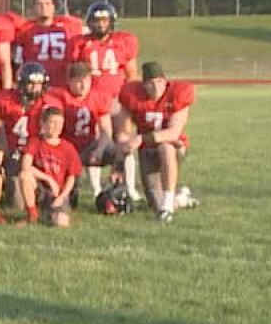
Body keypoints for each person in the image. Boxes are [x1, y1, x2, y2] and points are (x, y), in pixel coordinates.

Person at [117, 62, 196, 222]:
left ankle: (168, 206)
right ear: (143, 85)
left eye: (160, 82)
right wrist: (123, 153)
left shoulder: (178, 93)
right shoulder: (132, 95)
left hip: (175, 147)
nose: (156, 87)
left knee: (165, 147)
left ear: (165, 81)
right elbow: (122, 132)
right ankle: (179, 199)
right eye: (151, 83)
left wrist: (140, 138)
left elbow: (173, 133)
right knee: (155, 202)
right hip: (147, 150)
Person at [44, 61, 122, 190]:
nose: (83, 85)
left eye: (86, 80)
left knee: (116, 150)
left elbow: (106, 131)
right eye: (79, 81)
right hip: (66, 147)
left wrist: (99, 150)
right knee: (68, 194)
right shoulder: (60, 97)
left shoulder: (97, 96)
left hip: (88, 146)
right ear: (69, 81)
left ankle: (116, 187)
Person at [18, 107, 81, 227]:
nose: (56, 127)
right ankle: (32, 215)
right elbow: (26, 166)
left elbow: (71, 177)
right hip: (40, 189)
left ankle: (49, 213)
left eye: (60, 123)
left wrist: (62, 196)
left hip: (58, 192)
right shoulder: (35, 142)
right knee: (24, 176)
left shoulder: (68, 148)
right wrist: (48, 179)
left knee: (60, 223)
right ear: (43, 123)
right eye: (52, 122)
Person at [13, 0, 74, 86]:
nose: (43, 7)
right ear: (33, 8)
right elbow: (18, 63)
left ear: (53, 7)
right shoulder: (25, 30)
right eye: (39, 4)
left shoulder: (68, 26)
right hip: (36, 83)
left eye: (47, 4)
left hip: (63, 81)